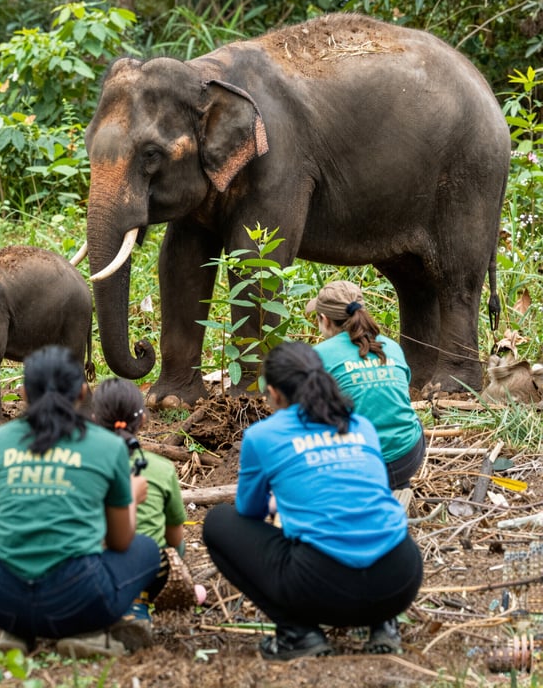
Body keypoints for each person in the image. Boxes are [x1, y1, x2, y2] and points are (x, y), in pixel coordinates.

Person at [203, 341, 423, 661]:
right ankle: (383, 625)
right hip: (399, 579)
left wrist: (280, 503)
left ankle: (298, 634)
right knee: (371, 524)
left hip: (322, 588)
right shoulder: (360, 425)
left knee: (218, 522)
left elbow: (248, 511)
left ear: (275, 393)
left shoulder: (263, 435)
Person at [0, 345, 161, 658]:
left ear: (23, 394)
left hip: (0, 600)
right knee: (147, 550)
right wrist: (130, 498)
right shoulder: (107, 446)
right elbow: (120, 540)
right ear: (83, 392)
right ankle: (86, 633)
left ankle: (17, 631)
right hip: (76, 599)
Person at [306, 280, 425, 491]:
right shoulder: (392, 346)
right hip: (407, 458)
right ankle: (396, 485)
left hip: (357, 467)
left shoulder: (318, 355)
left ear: (324, 320)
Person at [91, 377, 191, 626]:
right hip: (147, 569)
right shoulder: (162, 468)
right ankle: (138, 603)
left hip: (90, 568)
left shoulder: (84, 465)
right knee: (166, 551)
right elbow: (175, 540)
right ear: (143, 420)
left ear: (94, 421)